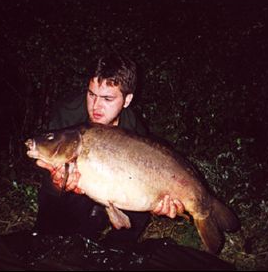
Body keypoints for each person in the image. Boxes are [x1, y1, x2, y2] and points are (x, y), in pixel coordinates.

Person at [33, 53, 178, 248]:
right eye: (92, 94)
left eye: (108, 99)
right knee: (54, 232)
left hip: (114, 187)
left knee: (138, 213)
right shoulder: (69, 113)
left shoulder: (134, 129)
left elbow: (148, 182)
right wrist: (57, 184)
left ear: (127, 100)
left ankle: (114, 249)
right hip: (78, 191)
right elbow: (47, 176)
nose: (96, 106)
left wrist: (157, 203)